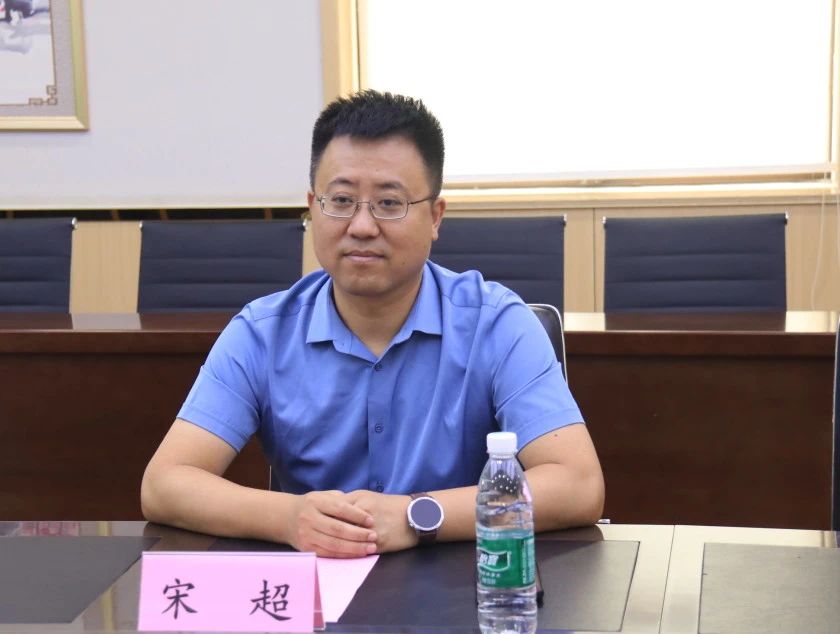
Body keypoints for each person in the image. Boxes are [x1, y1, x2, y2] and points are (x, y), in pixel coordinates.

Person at [141, 90, 604, 558]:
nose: (361, 226)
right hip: (319, 584)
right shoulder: (262, 333)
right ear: (312, 207)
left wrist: (415, 516)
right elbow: (165, 484)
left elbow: (578, 485)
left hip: (463, 580)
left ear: (435, 217)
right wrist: (288, 517)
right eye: (341, 200)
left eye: (389, 203)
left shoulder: (496, 324)